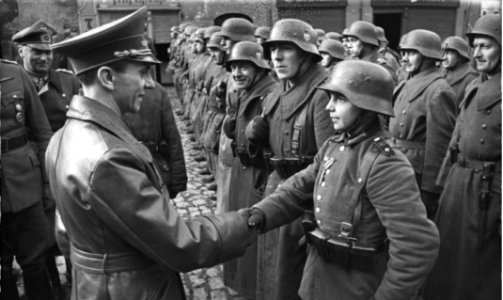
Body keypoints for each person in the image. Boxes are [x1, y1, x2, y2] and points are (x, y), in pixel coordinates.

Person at [47, 8, 255, 299]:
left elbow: (64, 235)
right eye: (142, 72)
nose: (149, 83)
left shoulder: (60, 139)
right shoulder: (109, 158)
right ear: (107, 77)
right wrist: (250, 221)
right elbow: (181, 244)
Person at [245, 60, 440, 300]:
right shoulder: (333, 146)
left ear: (366, 107)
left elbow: (417, 247)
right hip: (317, 281)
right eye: (330, 98)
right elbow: (296, 189)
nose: (329, 107)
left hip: (355, 289)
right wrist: (257, 215)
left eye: (340, 99)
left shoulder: (386, 164)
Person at [245, 18, 335, 300]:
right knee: (271, 273)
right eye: (273, 50)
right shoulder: (277, 92)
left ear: (307, 54)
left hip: (303, 204)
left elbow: (332, 167)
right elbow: (263, 152)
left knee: (291, 281)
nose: (277, 57)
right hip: (276, 189)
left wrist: (320, 220)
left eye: (287, 49)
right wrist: (252, 136)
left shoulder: (323, 94)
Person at [423, 14, 501, 300]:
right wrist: (441, 185)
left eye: (487, 46)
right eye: (475, 46)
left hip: (487, 194)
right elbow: (455, 139)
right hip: (459, 186)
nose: (477, 54)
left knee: (478, 269)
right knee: (448, 261)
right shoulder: (475, 84)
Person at [12, 20, 81, 298]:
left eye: (48, 52)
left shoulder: (67, 80)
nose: (44, 58)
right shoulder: (15, 84)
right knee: (41, 236)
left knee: (75, 227)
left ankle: (76, 279)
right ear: (21, 53)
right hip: (33, 174)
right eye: (36, 52)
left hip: (68, 167)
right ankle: (52, 282)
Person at [222, 41, 277, 299]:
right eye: (233, 67)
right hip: (241, 173)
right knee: (239, 235)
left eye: (244, 67)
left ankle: (254, 291)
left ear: (259, 67)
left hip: (258, 176)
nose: (237, 74)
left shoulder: (270, 94)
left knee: (254, 241)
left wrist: (260, 139)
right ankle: (244, 287)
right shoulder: (246, 92)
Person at [388, 29, 457, 219]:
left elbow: (439, 149)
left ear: (428, 56)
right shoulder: (404, 84)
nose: (405, 58)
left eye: (412, 53)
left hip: (415, 177)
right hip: (395, 167)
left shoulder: (438, 91)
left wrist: (430, 191)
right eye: (404, 53)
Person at [1, 59, 53, 300]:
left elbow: (42, 133)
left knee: (36, 260)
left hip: (25, 182)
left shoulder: (14, 73)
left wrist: (47, 185)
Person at [122, 81, 187, 199]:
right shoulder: (158, 90)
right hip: (153, 169)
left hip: (133, 170)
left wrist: (178, 179)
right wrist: (178, 180)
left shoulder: (106, 92)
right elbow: (172, 138)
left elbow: (172, 137)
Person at [440, 36, 478, 106]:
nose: (444, 57)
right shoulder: (442, 72)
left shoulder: (471, 78)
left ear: (460, 56)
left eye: (450, 53)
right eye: (443, 52)